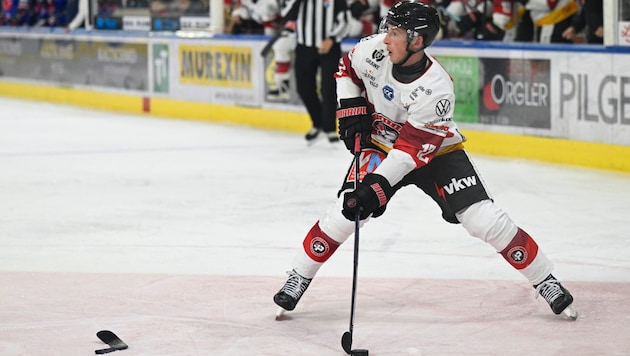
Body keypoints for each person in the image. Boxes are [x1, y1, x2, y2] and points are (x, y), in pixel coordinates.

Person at [273, 0, 577, 321]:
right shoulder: (375, 50)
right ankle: (299, 275)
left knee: (482, 219)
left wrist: (374, 186)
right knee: (348, 212)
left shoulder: (436, 89)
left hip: (435, 152)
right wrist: (350, 105)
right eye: (387, 29)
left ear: (417, 41)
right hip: (381, 143)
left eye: (395, 32)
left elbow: (409, 152)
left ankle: (546, 280)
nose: (385, 37)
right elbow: (345, 68)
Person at [281, 0, 349, 144]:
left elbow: (344, 20)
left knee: (329, 88)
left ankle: (329, 128)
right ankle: (318, 122)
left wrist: (331, 38)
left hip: (330, 47)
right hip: (305, 46)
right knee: (304, 88)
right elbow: (286, 14)